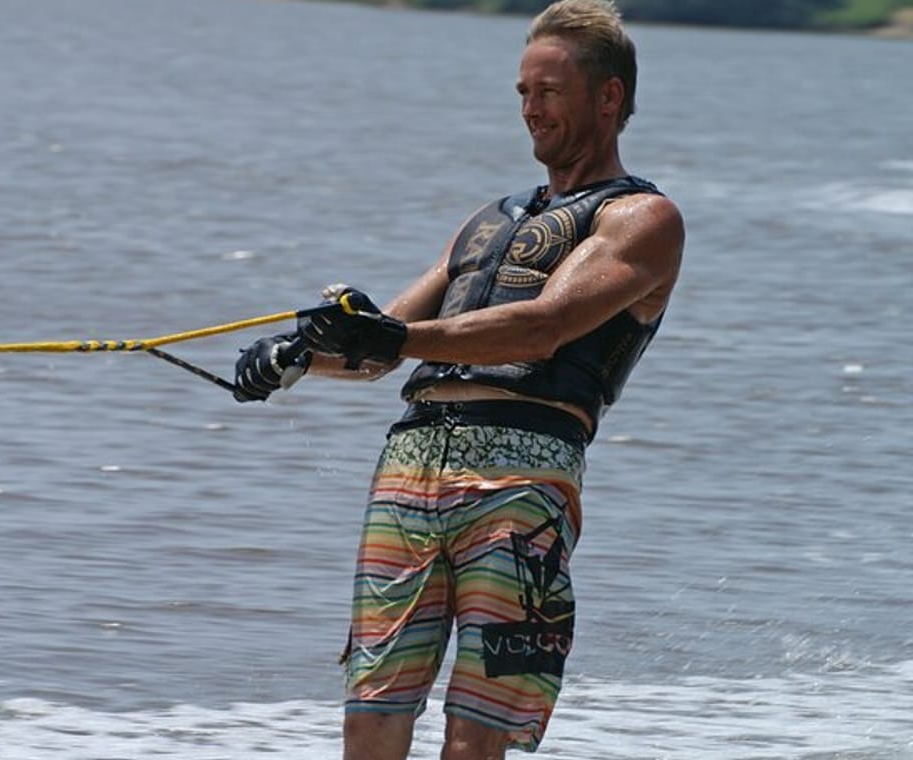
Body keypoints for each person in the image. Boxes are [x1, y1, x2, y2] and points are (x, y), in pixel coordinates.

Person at [233, 0, 684, 757]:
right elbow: (384, 350)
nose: (531, 110)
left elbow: (542, 327)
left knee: (479, 733)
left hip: (522, 475)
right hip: (408, 471)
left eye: (549, 91)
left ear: (608, 98)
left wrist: (393, 335)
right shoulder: (488, 220)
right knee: (372, 709)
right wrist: (298, 357)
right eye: (522, 93)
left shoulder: (643, 218)